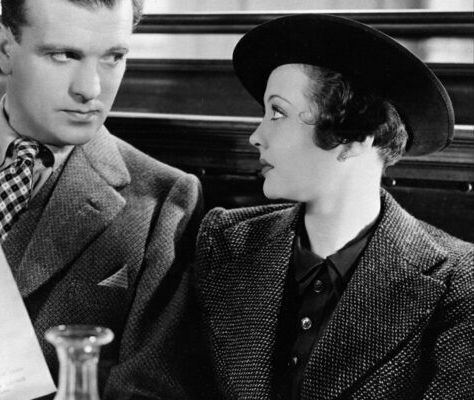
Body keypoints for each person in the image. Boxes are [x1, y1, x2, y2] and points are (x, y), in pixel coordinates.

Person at [0, 0, 206, 399]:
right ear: (4, 48)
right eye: (63, 55)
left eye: (113, 57)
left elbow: (150, 392)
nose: (90, 89)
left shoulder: (166, 202)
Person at [194, 14, 474, 400]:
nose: (256, 136)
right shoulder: (225, 241)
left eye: (278, 112)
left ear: (356, 136)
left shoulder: (458, 282)